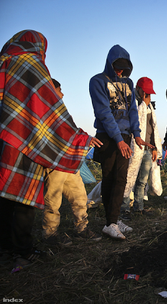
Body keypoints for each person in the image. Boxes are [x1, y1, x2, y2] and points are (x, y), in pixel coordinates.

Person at [0, 30, 95, 266]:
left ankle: (5, 249)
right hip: (26, 143)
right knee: (25, 199)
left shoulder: (4, 62)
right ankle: (23, 251)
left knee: (3, 198)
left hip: (5, 138)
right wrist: (79, 138)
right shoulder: (32, 66)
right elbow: (50, 114)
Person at [89, 45, 150, 240]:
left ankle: (113, 220)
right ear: (110, 63)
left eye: (124, 69)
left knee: (121, 179)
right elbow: (104, 113)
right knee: (109, 178)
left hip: (125, 136)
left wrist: (136, 134)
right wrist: (117, 140)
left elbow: (132, 110)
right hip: (107, 136)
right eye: (118, 67)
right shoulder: (97, 81)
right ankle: (110, 222)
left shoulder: (128, 83)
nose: (121, 72)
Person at [42, 79, 102, 245]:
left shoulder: (60, 112)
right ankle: (50, 234)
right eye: (59, 90)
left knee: (80, 196)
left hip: (69, 161)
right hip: (54, 162)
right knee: (52, 200)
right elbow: (59, 134)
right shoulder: (45, 111)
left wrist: (84, 138)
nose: (62, 94)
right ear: (50, 90)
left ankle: (82, 228)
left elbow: (71, 131)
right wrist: (83, 139)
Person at [120, 77, 160, 220]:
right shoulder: (132, 103)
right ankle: (124, 208)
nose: (147, 95)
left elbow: (153, 129)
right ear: (138, 89)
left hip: (147, 148)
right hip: (134, 147)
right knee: (129, 177)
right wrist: (142, 103)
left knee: (142, 179)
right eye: (145, 92)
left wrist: (154, 147)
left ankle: (139, 206)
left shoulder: (149, 107)